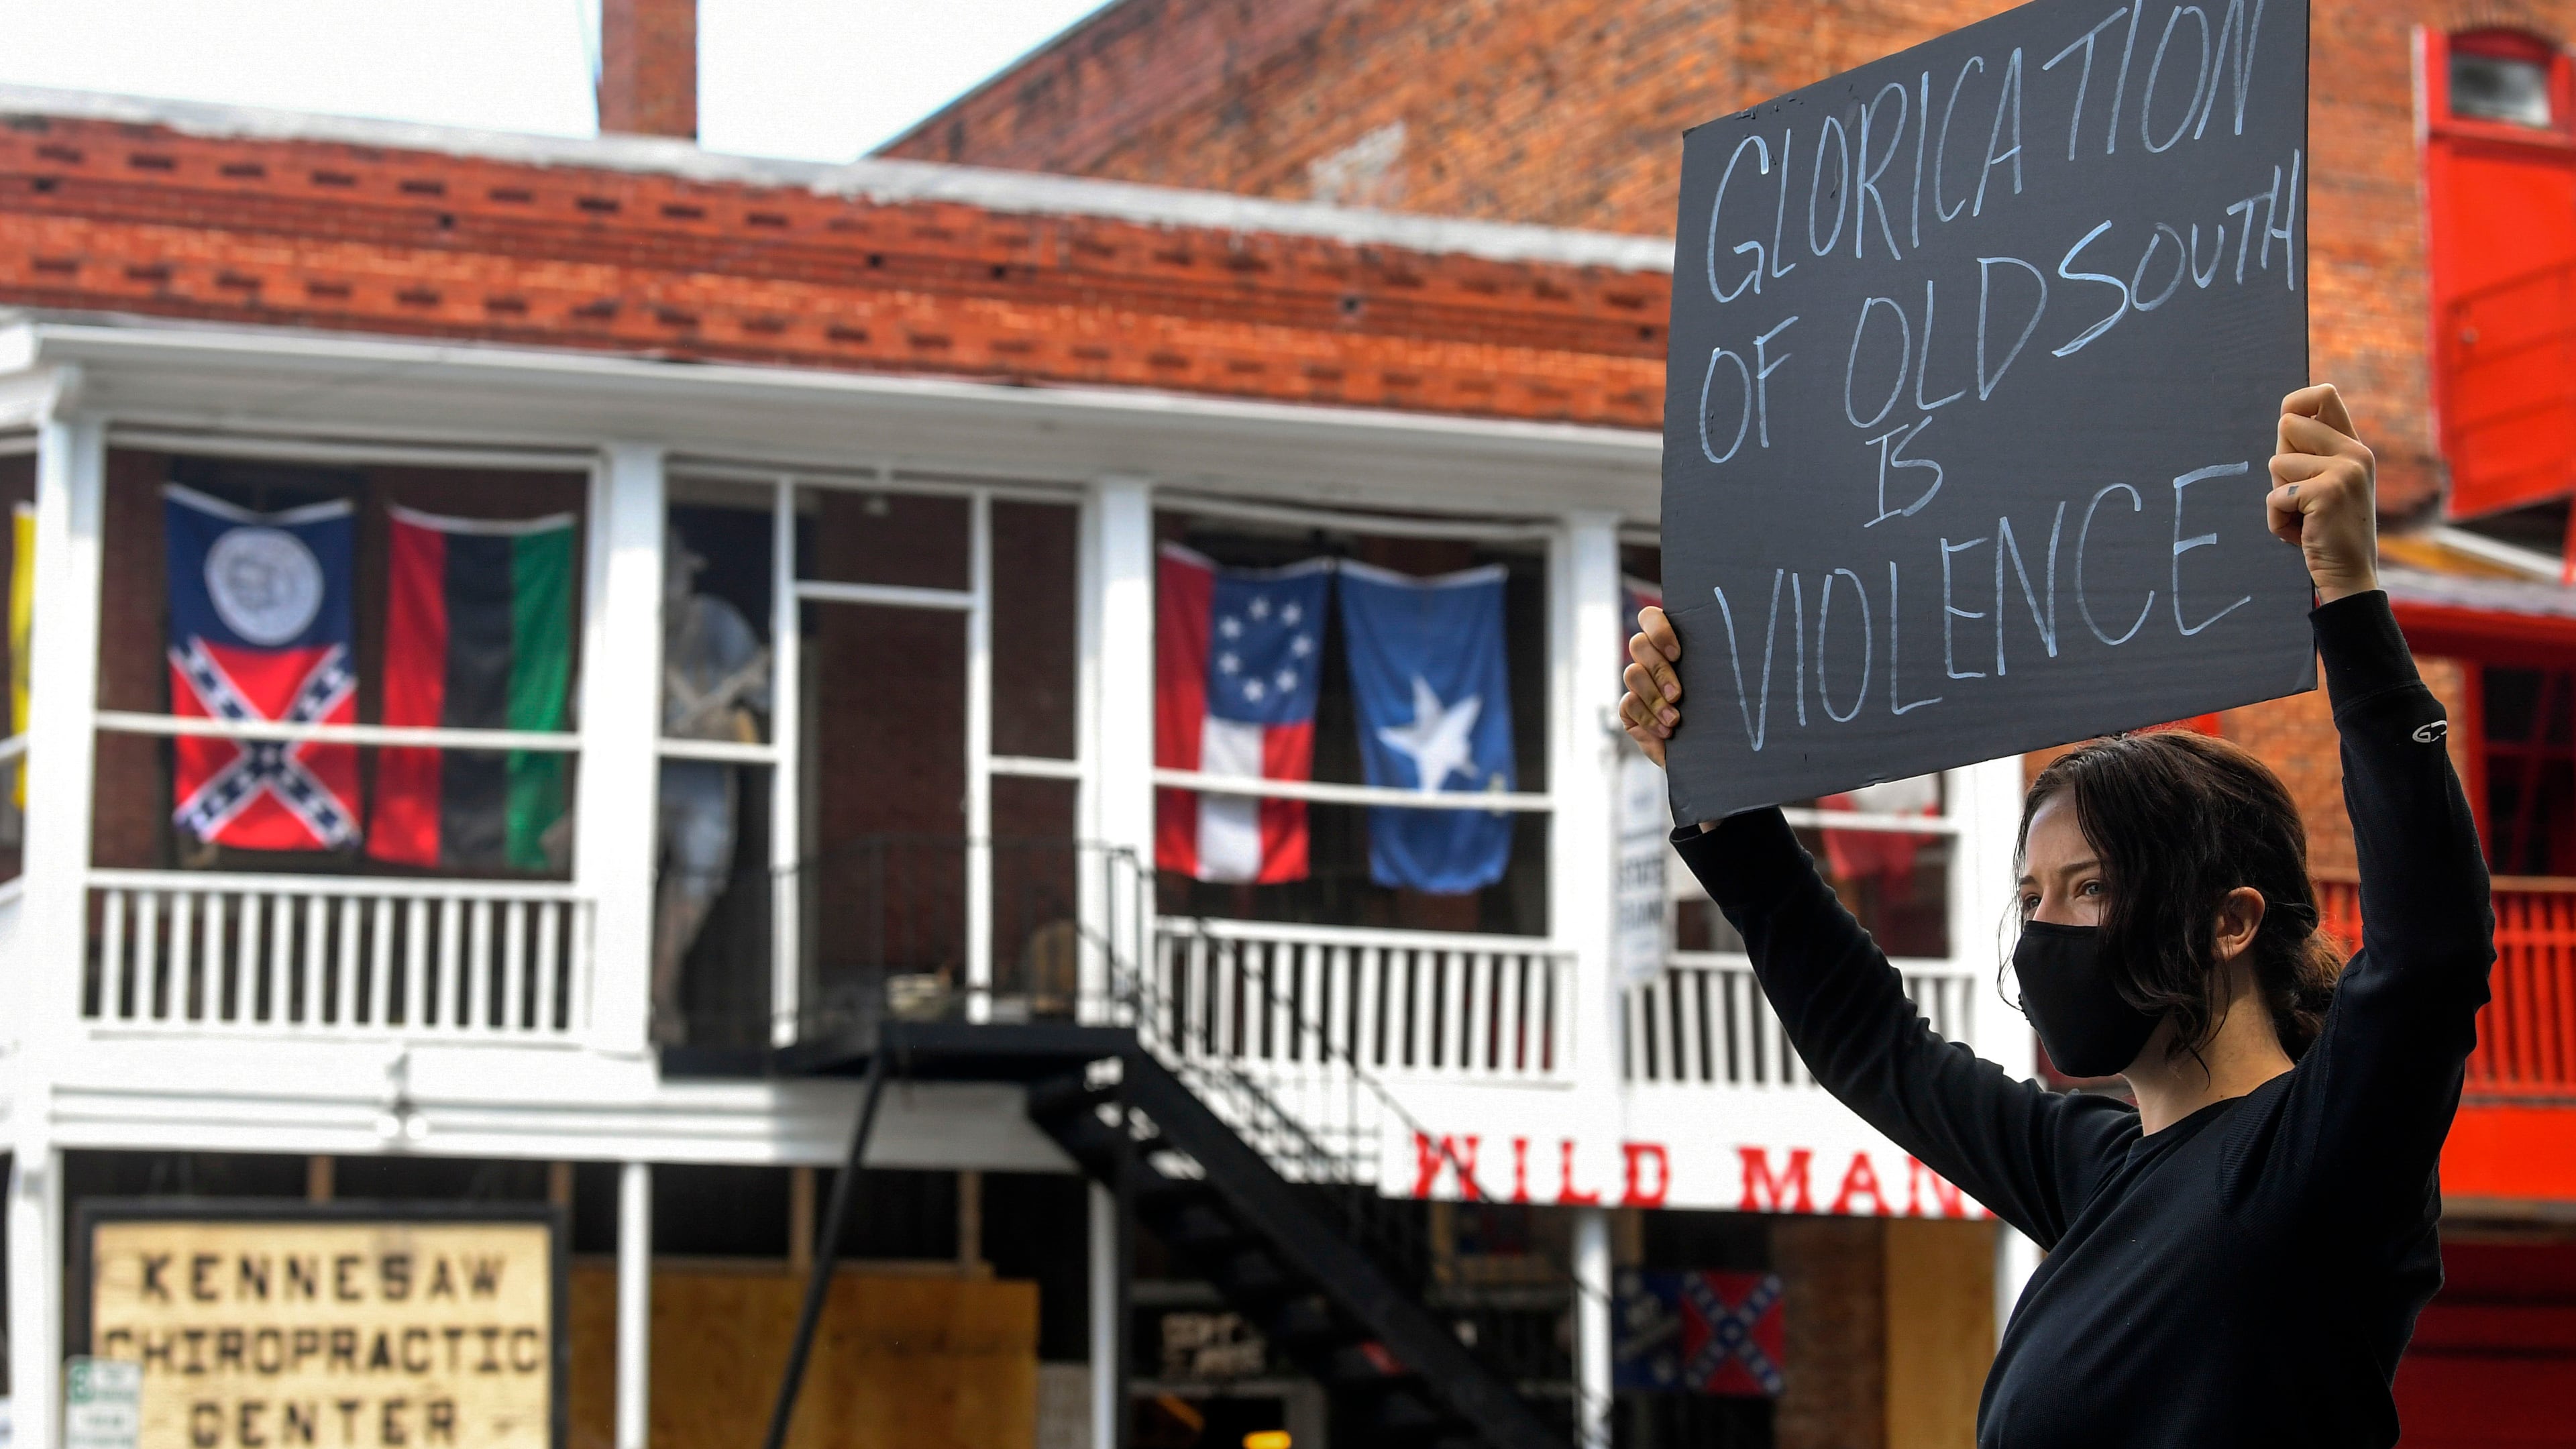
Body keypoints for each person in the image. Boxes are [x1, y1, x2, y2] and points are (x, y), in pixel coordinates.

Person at [1616, 386, 2493, 1446]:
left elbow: (2431, 950)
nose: (2044, 932)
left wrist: (2348, 595)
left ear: (2230, 922)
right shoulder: (2095, 1170)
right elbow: (1871, 1047)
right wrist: (1719, 792)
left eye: (2090, 888)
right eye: (2030, 897)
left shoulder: (2319, 1156)